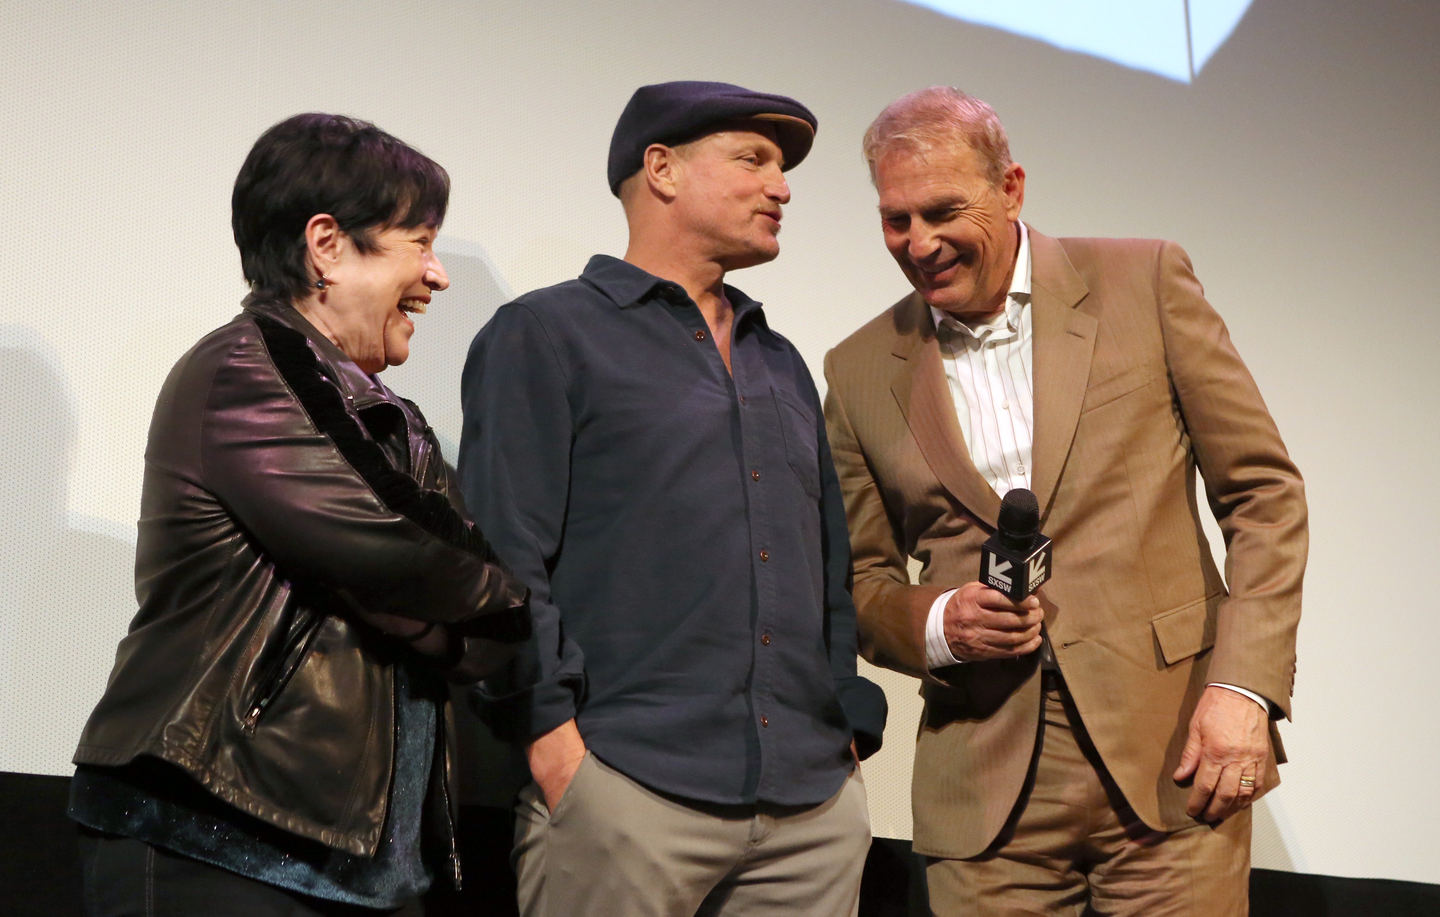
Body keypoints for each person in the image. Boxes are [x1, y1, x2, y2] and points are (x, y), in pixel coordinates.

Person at [822, 87, 1307, 916]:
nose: (921, 242)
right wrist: (941, 624)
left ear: (1011, 187)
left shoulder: (1142, 282)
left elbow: (1264, 495)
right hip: (985, 782)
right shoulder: (859, 367)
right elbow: (857, 585)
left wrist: (1243, 691)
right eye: (896, 220)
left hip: (1171, 756)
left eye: (943, 210)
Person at [69, 113, 531, 916]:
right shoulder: (246, 366)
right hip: (218, 839)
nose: (437, 274)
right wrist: (453, 608)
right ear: (326, 245)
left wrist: (434, 617)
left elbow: (480, 608)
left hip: (361, 867)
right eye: (418, 242)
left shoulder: (397, 421)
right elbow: (398, 550)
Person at [458, 81, 888, 917]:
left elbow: (828, 569)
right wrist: (555, 747)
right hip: (628, 793)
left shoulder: (783, 363)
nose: (783, 186)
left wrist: (847, 728)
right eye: (752, 159)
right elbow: (503, 558)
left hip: (810, 810)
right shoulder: (546, 334)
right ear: (661, 169)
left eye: (782, 167)